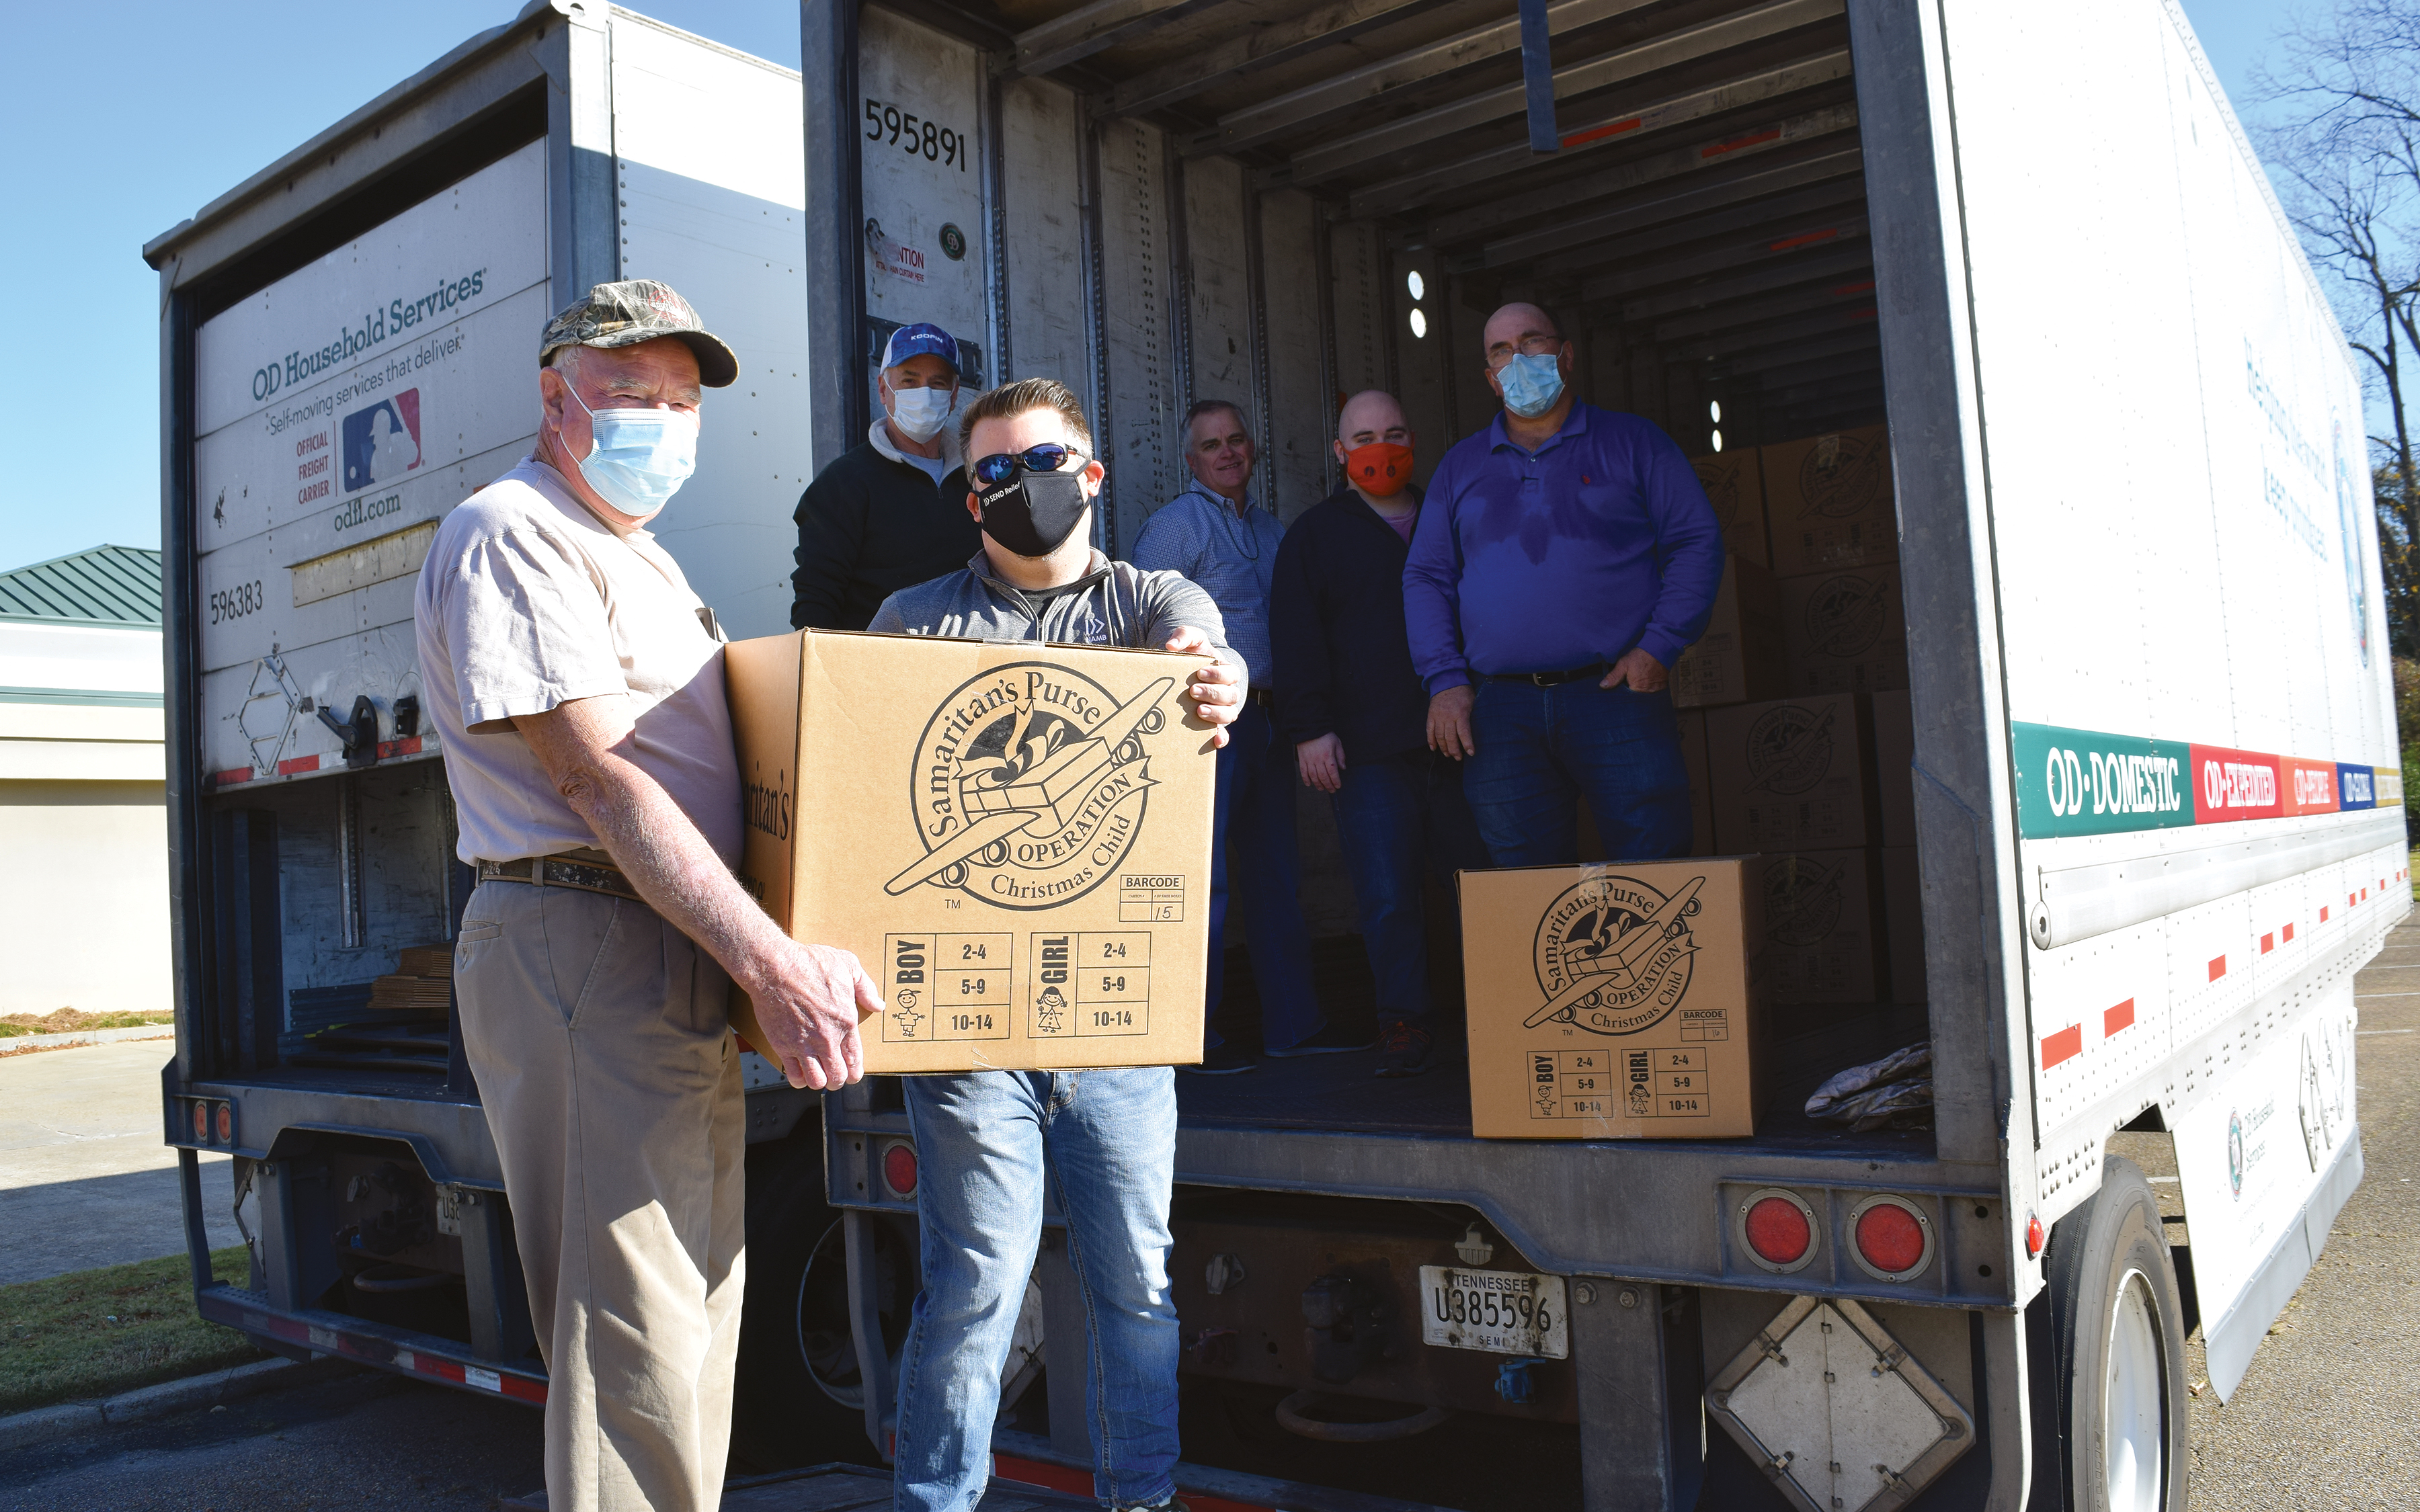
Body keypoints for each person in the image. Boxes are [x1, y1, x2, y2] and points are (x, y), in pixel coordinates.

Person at [413, 280, 877, 1512]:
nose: (662, 423)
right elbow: (600, 779)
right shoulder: (515, 531)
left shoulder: (638, 553)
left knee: (692, 1317)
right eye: (630, 394)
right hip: (584, 940)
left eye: (682, 402)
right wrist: (773, 962)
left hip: (657, 944)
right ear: (555, 396)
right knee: (631, 1339)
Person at [867, 377, 1244, 1512]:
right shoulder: (916, 621)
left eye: (1040, 463)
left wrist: (1218, 675)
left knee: (1136, 1287)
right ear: (969, 499)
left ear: (1091, 475)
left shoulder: (1147, 598)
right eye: (993, 472)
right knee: (977, 1285)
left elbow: (1203, 646)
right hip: (971, 1032)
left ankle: (1142, 1499)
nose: (1019, 487)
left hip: (1116, 1025)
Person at [1403, 302, 1724, 865]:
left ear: (1566, 355)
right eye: (1501, 352)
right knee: (1525, 886)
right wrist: (1445, 680)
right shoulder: (1460, 466)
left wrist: (1660, 646)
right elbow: (1427, 575)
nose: (1518, 359)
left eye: (1532, 341)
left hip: (1617, 695)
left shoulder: (1635, 442)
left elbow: (1696, 541)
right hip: (1500, 708)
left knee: (1653, 870)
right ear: (1490, 378)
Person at [1270, 390, 1490, 1078]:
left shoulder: (1450, 518)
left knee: (1482, 885)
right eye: (1363, 438)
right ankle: (1404, 1021)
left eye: (1393, 433)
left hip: (1467, 738)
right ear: (1340, 451)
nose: (1380, 449)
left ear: (1414, 441)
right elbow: (1297, 638)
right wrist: (1310, 730)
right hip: (1368, 750)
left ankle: (1501, 1012)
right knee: (1388, 894)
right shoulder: (1315, 535)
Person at [1131, 400, 1340, 1073]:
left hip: (1272, 720)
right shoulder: (1175, 526)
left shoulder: (1273, 530)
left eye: (1236, 440)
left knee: (1277, 875)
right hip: (1206, 724)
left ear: (1252, 449)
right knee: (1205, 880)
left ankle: (1294, 1026)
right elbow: (1143, 619)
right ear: (1191, 459)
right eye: (1211, 444)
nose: (1226, 452)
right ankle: (1193, 1041)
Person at [790, 321, 981, 630]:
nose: (924, 394)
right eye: (909, 381)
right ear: (883, 389)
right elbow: (816, 601)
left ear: (954, 394)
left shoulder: (981, 475)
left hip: (973, 653)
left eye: (938, 383)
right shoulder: (842, 484)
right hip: (882, 656)